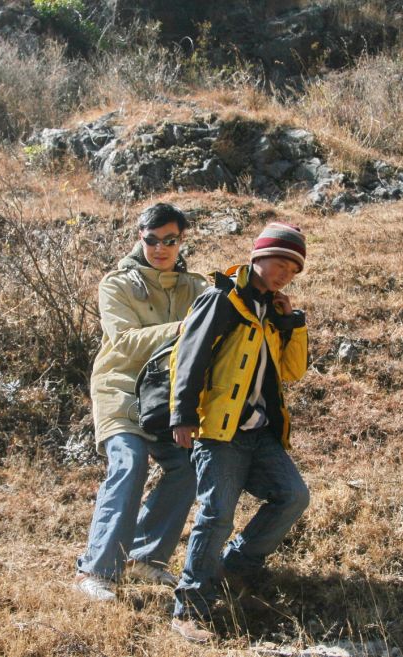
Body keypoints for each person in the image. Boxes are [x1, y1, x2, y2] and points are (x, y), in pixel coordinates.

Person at [167, 222, 310, 642]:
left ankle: (232, 570)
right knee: (216, 516)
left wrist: (291, 323)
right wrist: (183, 415)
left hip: (260, 433)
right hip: (220, 430)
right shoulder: (222, 299)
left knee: (292, 496)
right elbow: (188, 357)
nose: (285, 273)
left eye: (293, 269)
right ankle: (189, 609)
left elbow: (292, 371)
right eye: (280, 262)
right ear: (258, 255)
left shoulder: (271, 311)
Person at [75, 203, 208, 601]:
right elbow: (124, 341)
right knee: (129, 463)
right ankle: (97, 571)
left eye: (170, 240)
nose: (160, 248)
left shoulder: (195, 286)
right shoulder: (116, 284)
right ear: (140, 238)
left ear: (181, 240)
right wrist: (186, 328)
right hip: (120, 388)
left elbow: (226, 310)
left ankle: (145, 557)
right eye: (152, 240)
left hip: (167, 397)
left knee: (188, 465)